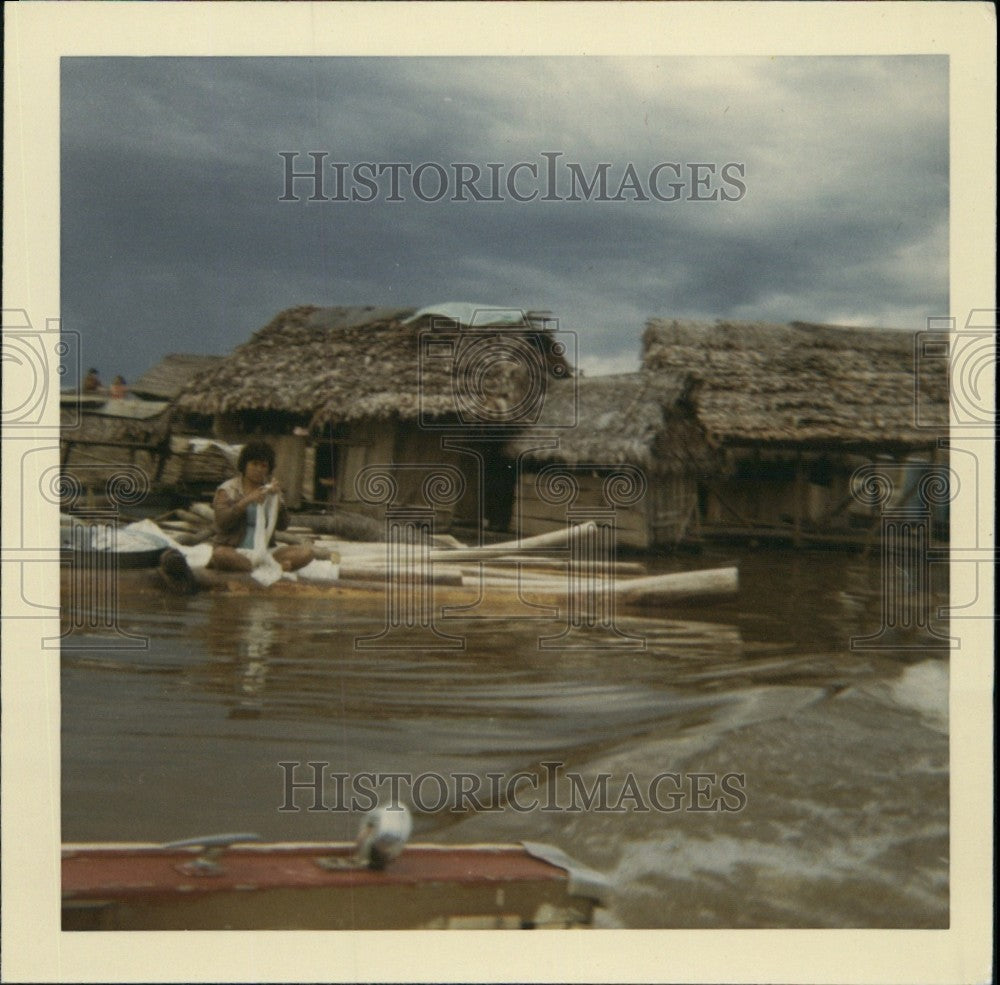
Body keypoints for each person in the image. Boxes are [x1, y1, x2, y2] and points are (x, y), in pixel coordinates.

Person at [209, 440, 314, 573]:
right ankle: (264, 569)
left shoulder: (268, 490)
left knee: (306, 553)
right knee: (220, 554)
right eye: (254, 464)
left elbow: (283, 526)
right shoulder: (228, 489)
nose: (259, 469)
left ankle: (261, 567)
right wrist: (246, 501)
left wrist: (278, 501)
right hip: (234, 549)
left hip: (264, 552)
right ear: (244, 465)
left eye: (264, 466)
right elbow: (222, 522)